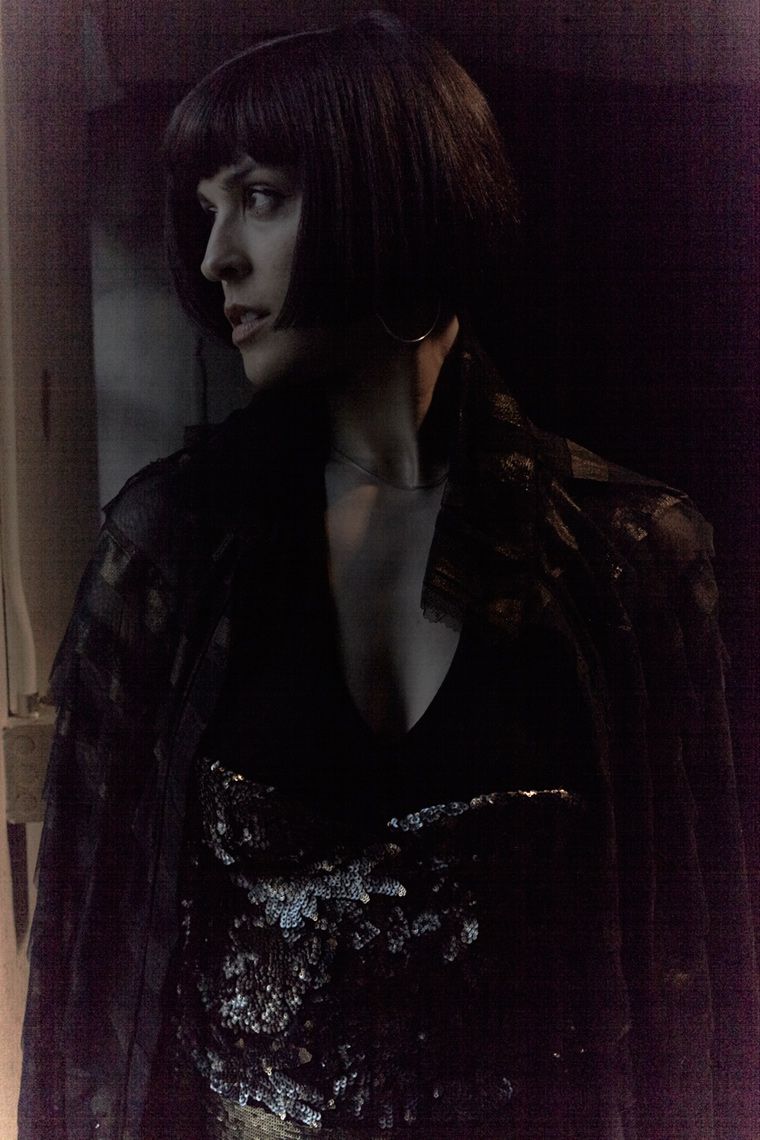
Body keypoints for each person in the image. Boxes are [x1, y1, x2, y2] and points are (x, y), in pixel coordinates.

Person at [18, 12, 758, 1140]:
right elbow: (86, 976)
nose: (216, 256)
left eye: (260, 196)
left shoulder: (631, 559)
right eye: (207, 208)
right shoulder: (171, 550)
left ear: (393, 197)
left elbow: (699, 983)